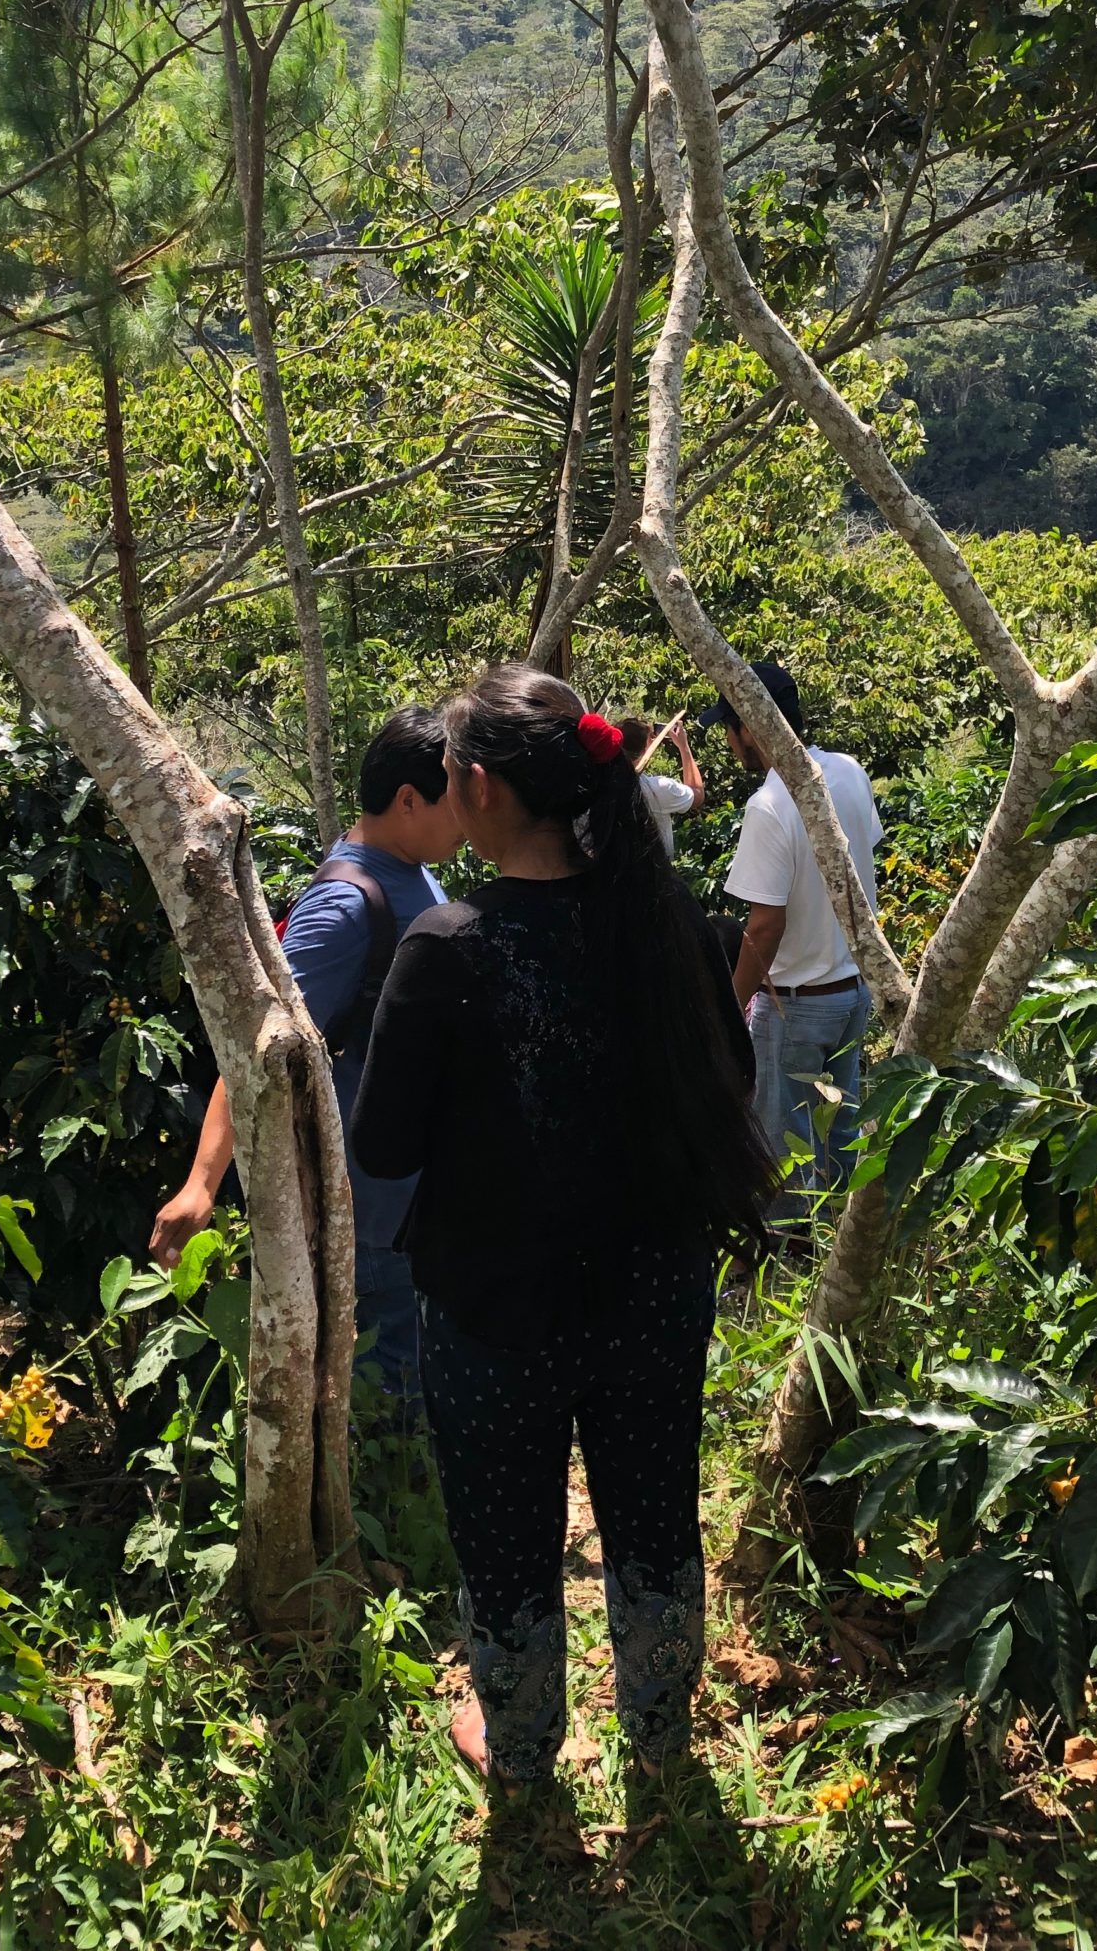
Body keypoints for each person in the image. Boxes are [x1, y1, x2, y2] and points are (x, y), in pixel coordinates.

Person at [353, 665, 774, 1788]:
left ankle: (526, 1743)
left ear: (481, 788)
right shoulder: (667, 916)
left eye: (448, 772)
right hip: (654, 1292)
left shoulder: (447, 946)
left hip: (497, 1308)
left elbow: (384, 1146)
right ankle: (660, 1734)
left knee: (504, 1533)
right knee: (653, 1510)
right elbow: (730, 1073)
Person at [150, 706, 463, 1397]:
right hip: (372, 1206)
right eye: (456, 798)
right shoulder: (347, 906)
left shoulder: (414, 870)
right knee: (395, 1397)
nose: (468, 816)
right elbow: (260, 1047)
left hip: (413, 1197)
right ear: (409, 800)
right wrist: (203, 1183)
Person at [704, 658, 883, 1205]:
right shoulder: (849, 771)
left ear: (751, 727)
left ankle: (790, 1260)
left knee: (786, 1148)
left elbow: (766, 924)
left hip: (797, 1005)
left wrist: (731, 1009)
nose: (732, 745)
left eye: (732, 730)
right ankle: (838, 1248)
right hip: (853, 990)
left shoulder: (769, 804)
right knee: (839, 1132)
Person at [618, 708, 705, 855]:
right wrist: (684, 747)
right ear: (645, 748)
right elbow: (698, 795)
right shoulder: (658, 789)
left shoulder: (600, 781)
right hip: (653, 875)